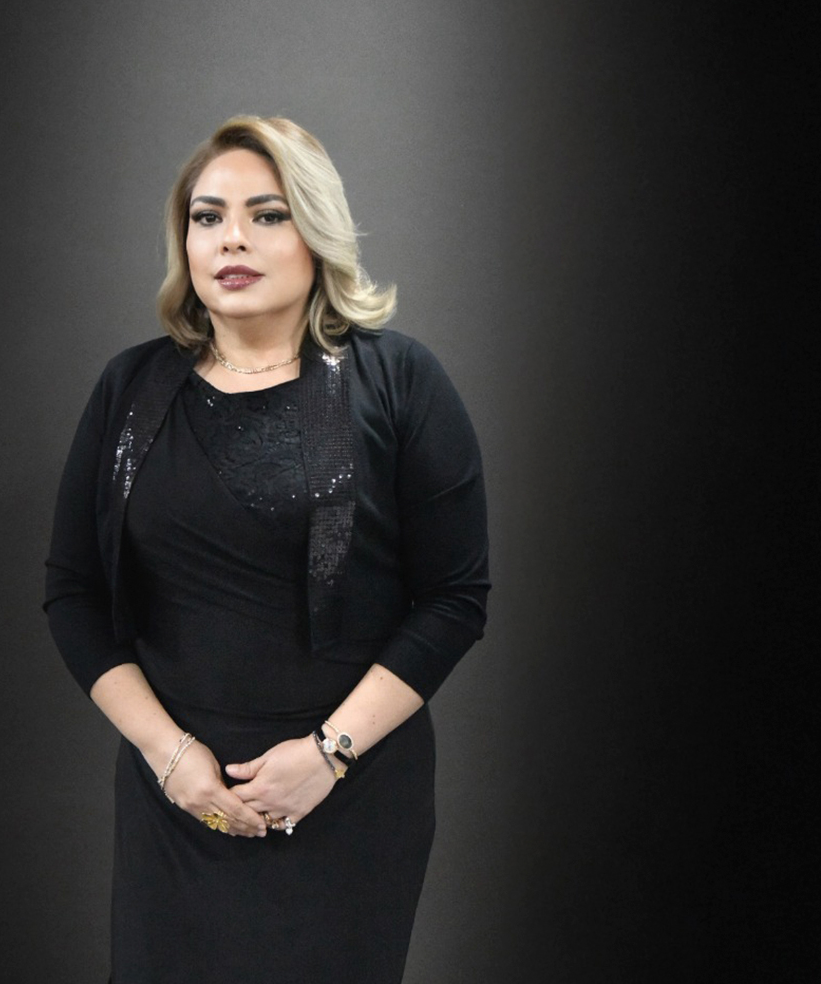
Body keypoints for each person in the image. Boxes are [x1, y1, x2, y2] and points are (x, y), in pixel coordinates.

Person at [43, 115, 489, 981]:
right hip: (175, 799)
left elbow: (455, 598)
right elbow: (73, 590)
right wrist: (170, 758)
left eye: (268, 214)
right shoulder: (129, 387)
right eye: (207, 217)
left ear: (316, 232)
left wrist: (327, 757)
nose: (232, 238)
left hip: (348, 799)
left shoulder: (399, 381)